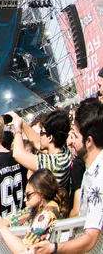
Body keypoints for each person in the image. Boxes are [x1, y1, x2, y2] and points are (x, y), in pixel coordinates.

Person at [33, 98, 103, 253]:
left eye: (75, 136)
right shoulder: (92, 168)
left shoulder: (98, 179)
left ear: (89, 141)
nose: (70, 142)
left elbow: (90, 238)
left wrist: (54, 248)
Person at [0, 168, 66, 253]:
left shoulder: (47, 214)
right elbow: (14, 219)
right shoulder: (35, 209)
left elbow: (23, 249)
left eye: (28, 195)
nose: (25, 199)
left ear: (41, 193)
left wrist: (1, 228)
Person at [8, 109, 72, 189]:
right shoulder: (65, 152)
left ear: (50, 138)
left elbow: (17, 154)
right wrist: (21, 121)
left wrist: (17, 129)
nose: (39, 136)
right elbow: (37, 142)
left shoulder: (54, 164)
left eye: (42, 133)